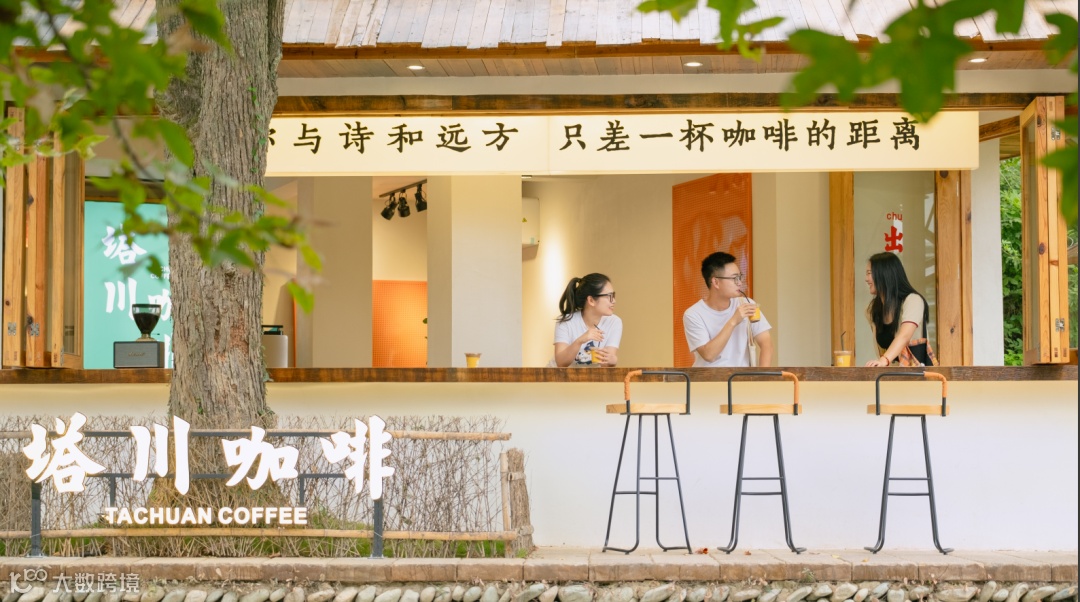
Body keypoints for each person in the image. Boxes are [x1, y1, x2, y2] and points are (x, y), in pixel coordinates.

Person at [683, 252, 772, 367]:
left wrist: (763, 376)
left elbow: (766, 344)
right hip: (708, 377)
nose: (739, 283)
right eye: (734, 278)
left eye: (740, 277)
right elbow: (709, 355)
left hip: (742, 377)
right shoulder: (693, 314)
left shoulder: (747, 304)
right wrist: (733, 321)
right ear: (716, 282)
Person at [864, 251, 934, 367]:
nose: (866, 279)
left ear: (884, 274)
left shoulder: (913, 301)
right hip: (888, 375)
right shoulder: (872, 310)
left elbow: (904, 336)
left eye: (869, 273)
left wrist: (883, 360)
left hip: (915, 374)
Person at [549, 273, 621, 367]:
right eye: (609, 296)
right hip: (558, 376)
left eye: (613, 295)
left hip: (589, 376)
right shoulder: (566, 321)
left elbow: (605, 363)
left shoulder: (614, 322)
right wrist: (580, 340)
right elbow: (561, 362)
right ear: (591, 300)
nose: (614, 301)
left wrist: (612, 360)